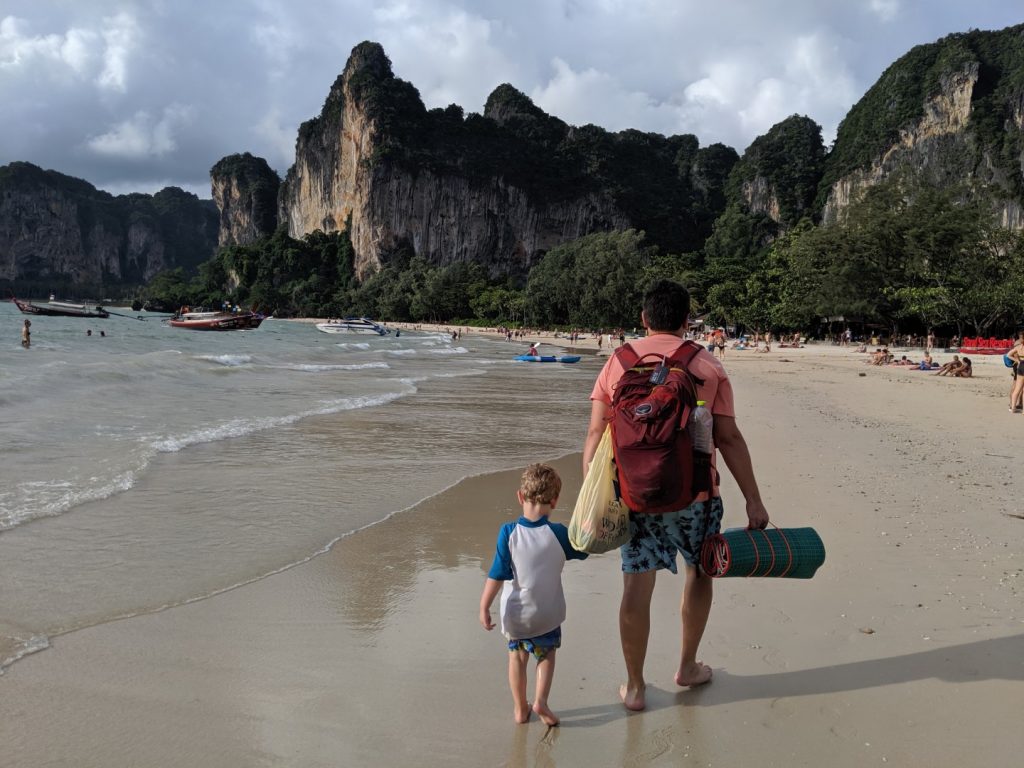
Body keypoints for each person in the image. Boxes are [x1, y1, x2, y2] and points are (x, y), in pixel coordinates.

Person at [583, 280, 769, 712]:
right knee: (699, 574)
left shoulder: (619, 362)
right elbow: (729, 437)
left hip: (634, 495)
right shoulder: (706, 364)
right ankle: (686, 667)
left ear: (644, 320)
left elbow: (596, 433)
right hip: (698, 495)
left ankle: (634, 687)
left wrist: (594, 500)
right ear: (687, 321)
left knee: (635, 583)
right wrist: (754, 501)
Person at [479, 464, 588, 726]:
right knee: (546, 654)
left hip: (516, 615)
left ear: (520, 496)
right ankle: (541, 701)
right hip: (547, 614)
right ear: (555, 500)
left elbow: (497, 573)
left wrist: (484, 606)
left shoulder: (508, 533)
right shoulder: (560, 534)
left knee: (517, 658)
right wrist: (586, 528)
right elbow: (583, 549)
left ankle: (520, 709)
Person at [1007, 333, 1024, 412]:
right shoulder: (1018, 344)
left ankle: (1013, 407)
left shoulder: (1018, 346)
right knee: (1020, 389)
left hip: (1020, 366)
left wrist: (1017, 361)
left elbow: (1008, 355)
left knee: (1017, 388)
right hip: (1020, 365)